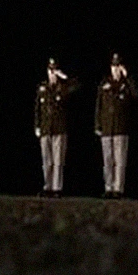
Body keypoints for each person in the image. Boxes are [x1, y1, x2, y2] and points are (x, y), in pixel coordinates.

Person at [94, 53, 138, 199]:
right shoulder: (104, 84)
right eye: (113, 66)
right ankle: (108, 187)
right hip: (107, 127)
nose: (115, 69)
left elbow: (136, 95)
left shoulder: (126, 84)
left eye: (118, 66)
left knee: (120, 160)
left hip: (121, 128)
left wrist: (127, 76)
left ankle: (118, 189)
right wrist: (98, 125)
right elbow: (99, 106)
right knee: (108, 160)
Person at [34, 58, 79, 197]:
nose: (52, 74)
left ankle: (56, 188)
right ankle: (47, 186)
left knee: (58, 160)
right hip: (46, 128)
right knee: (46, 160)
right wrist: (37, 125)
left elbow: (76, 86)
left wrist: (63, 77)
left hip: (59, 129)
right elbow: (38, 109)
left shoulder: (63, 87)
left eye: (54, 71)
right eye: (50, 70)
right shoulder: (42, 87)